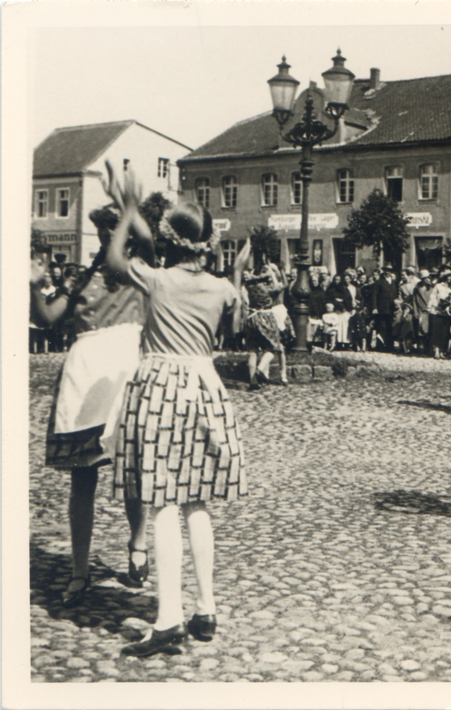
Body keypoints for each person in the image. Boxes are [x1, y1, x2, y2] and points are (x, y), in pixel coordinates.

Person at [102, 165, 250, 657]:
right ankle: (206, 610)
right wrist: (238, 273)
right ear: (206, 243)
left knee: (163, 502)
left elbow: (113, 261)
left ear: (170, 239)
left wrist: (126, 212)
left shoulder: (159, 280)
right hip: (205, 385)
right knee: (197, 503)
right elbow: (234, 325)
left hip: (162, 384)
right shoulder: (223, 289)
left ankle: (168, 620)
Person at [29, 206, 151, 608]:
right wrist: (32, 286)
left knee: (131, 470)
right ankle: (79, 569)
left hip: (125, 373)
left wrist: (131, 204)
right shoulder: (79, 276)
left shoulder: (139, 269)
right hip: (84, 380)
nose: (108, 235)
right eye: (102, 228)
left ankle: (138, 543)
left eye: (115, 228)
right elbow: (48, 319)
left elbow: (148, 238)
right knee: (82, 479)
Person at [243, 256, 290, 389]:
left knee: (252, 350)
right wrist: (278, 271)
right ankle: (260, 370)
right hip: (265, 317)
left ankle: (253, 382)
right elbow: (284, 285)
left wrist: (256, 275)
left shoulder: (250, 286)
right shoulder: (269, 289)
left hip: (251, 317)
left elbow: (251, 279)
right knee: (272, 347)